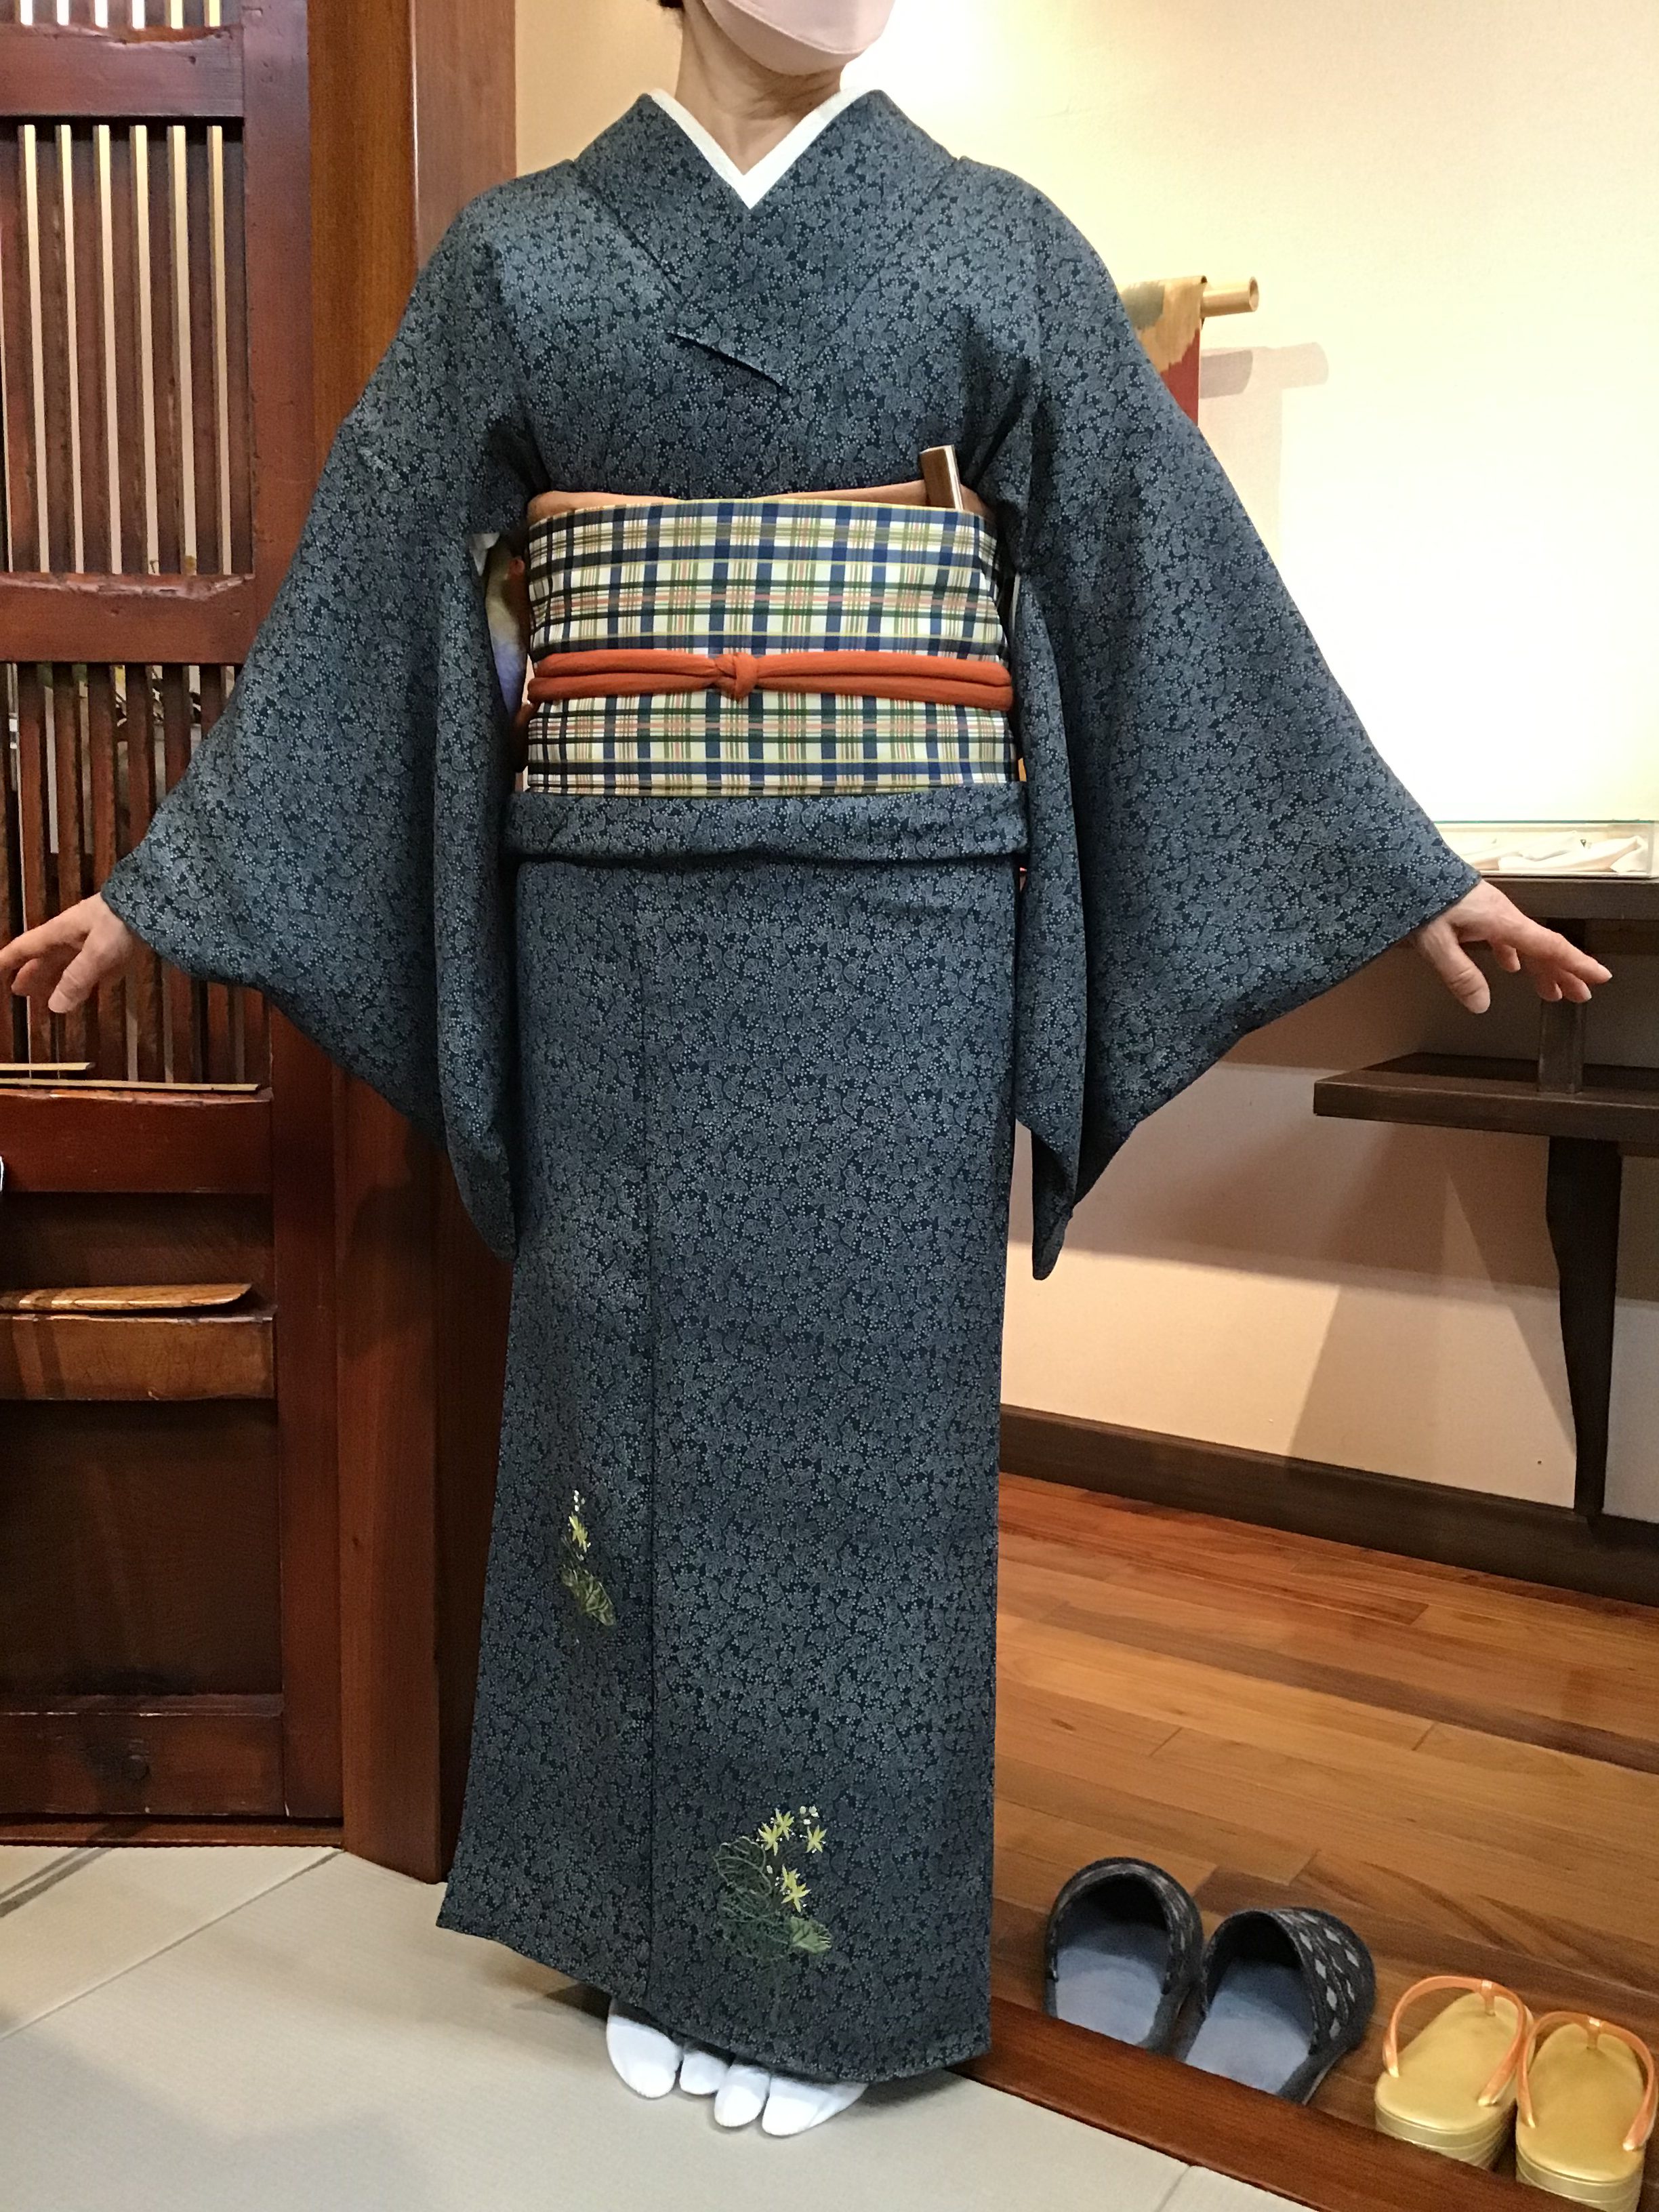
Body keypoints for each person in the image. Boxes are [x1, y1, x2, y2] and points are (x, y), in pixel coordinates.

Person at [0, 0, 1608, 2143]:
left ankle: (840, 1960)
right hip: (609, 935)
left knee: (870, 1449)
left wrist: (1396, 869)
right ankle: (652, 1928)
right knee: (622, 1419)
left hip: (904, 923)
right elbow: (374, 581)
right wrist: (180, 881)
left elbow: (1166, 571)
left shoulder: (993, 240)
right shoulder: (518, 257)